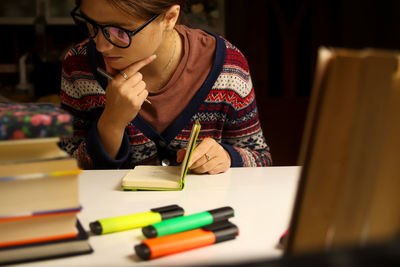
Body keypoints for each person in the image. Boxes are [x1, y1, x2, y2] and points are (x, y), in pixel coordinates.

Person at [60, 0, 272, 174]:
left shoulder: (228, 65)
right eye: (91, 26)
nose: (101, 45)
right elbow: (65, 169)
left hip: (201, 218)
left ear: (169, 18)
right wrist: (111, 124)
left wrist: (226, 157)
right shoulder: (79, 66)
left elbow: (261, 160)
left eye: (120, 32)